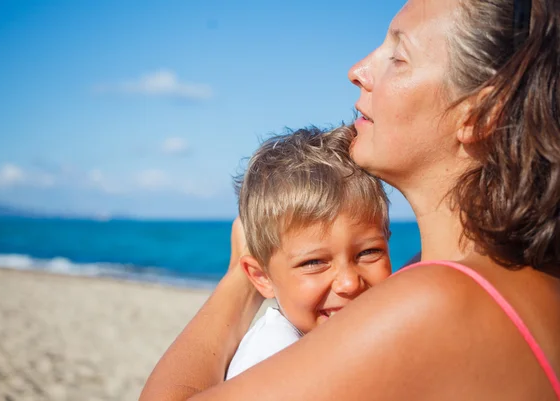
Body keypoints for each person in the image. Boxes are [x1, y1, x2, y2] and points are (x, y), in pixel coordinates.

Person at [139, 0, 560, 399]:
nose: (357, 70)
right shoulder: (507, 275)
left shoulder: (438, 301)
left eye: (399, 57)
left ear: (480, 115)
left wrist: (239, 280)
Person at [226, 125, 391, 379]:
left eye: (369, 252)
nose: (349, 283)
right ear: (262, 277)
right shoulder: (273, 361)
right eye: (314, 262)